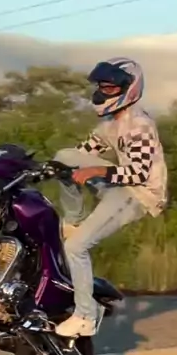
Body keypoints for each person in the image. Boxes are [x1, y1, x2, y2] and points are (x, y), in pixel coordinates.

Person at [53, 56, 168, 339]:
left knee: (75, 248)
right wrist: (44, 169)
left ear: (129, 89)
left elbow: (139, 173)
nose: (102, 93)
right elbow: (81, 153)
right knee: (63, 157)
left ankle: (85, 316)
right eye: (101, 87)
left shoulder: (139, 124)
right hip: (118, 185)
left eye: (110, 88)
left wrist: (97, 171)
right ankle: (74, 221)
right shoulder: (110, 122)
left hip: (139, 194)